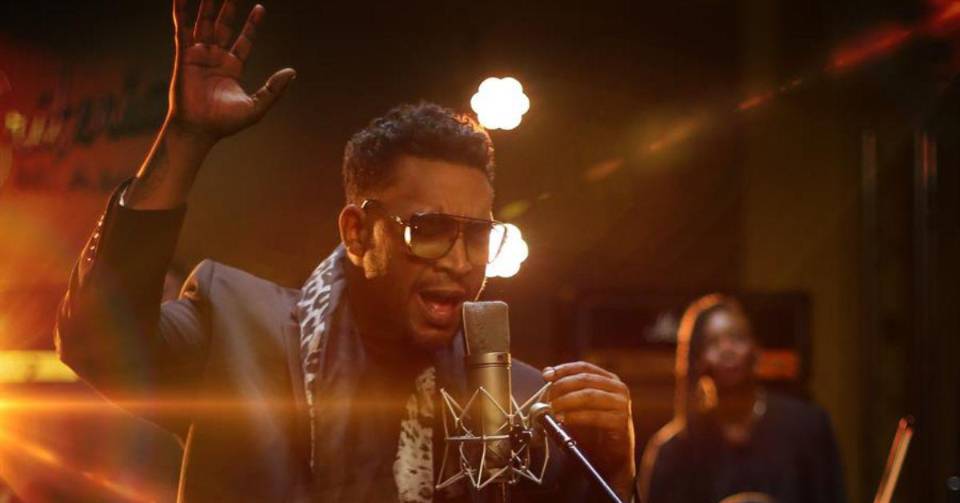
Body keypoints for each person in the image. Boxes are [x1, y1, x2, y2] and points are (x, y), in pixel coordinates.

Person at [55, 1, 636, 502]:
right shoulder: (240, 330)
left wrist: (617, 468)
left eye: (478, 235)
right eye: (429, 229)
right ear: (358, 233)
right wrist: (184, 139)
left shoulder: (520, 402)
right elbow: (95, 343)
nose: (460, 262)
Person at [637, 294, 845, 503]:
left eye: (737, 338)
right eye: (712, 342)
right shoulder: (674, 450)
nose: (727, 350)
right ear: (697, 359)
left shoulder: (808, 427)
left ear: (756, 349)